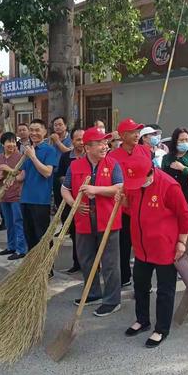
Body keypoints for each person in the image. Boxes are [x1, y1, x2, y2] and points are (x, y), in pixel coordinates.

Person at [121, 155, 188, 348]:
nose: (138, 184)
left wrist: (181, 242)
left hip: (164, 247)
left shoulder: (169, 186)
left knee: (164, 290)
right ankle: (142, 320)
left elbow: (184, 215)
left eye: (141, 180)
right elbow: (134, 211)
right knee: (140, 285)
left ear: (151, 171)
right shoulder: (135, 185)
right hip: (142, 247)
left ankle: (161, 329)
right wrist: (124, 203)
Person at [61, 127, 123, 317]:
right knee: (86, 259)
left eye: (105, 143)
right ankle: (93, 292)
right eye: (100, 143)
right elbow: (65, 188)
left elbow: (120, 187)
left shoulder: (113, 164)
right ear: (87, 147)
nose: (105, 146)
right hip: (83, 220)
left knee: (110, 263)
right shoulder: (75, 166)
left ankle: (112, 300)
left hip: (108, 220)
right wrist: (74, 204)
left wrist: (96, 190)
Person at [110, 118, 151, 287]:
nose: (137, 135)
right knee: (124, 243)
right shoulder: (112, 156)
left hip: (144, 204)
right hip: (123, 206)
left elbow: (152, 174)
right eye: (132, 132)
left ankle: (144, 282)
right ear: (122, 135)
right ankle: (124, 276)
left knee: (144, 243)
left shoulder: (145, 151)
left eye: (138, 131)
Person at [17, 119, 58, 275]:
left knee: (43, 235)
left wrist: (33, 157)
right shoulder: (27, 151)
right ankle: (33, 267)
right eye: (31, 130)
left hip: (41, 200)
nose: (34, 133)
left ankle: (47, 268)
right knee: (30, 235)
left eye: (37, 130)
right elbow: (24, 174)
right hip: (26, 198)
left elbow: (47, 172)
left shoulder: (49, 150)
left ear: (44, 132)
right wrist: (11, 178)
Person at [0, 132, 27, 261]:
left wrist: (8, 169)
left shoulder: (21, 157)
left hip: (17, 195)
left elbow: (23, 174)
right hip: (3, 195)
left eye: (13, 141)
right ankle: (11, 246)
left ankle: (21, 249)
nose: (11, 144)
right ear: (3, 144)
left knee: (18, 222)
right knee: (9, 222)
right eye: (8, 142)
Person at [57, 128, 85, 274]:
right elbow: (60, 175)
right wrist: (71, 182)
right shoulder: (66, 156)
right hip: (70, 200)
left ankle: (93, 264)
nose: (81, 142)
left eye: (83, 139)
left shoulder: (91, 156)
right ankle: (77, 262)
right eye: (78, 139)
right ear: (72, 141)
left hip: (88, 202)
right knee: (75, 233)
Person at [161, 127, 188, 208]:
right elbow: (162, 176)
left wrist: (183, 168)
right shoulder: (167, 158)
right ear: (175, 141)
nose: (184, 142)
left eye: (186, 140)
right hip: (170, 197)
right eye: (181, 140)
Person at [51, 116, 73, 207]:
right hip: (54, 172)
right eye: (55, 125)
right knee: (58, 200)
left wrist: (57, 142)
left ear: (65, 126)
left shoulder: (71, 138)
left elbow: (69, 152)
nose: (57, 127)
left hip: (66, 172)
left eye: (60, 124)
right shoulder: (51, 139)